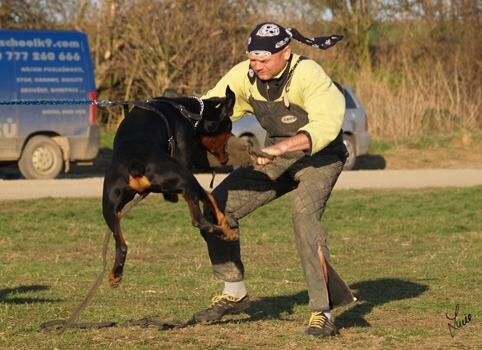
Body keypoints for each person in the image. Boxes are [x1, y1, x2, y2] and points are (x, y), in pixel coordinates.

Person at [194, 22, 356, 338]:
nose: (257, 65)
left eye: (264, 59)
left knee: (304, 217)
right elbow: (211, 106)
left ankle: (322, 313)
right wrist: (171, 110)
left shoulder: (309, 74)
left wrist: (280, 147)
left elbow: (325, 126)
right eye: (253, 59)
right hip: (275, 155)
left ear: (285, 52)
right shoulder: (245, 75)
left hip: (320, 157)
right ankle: (234, 291)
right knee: (217, 206)